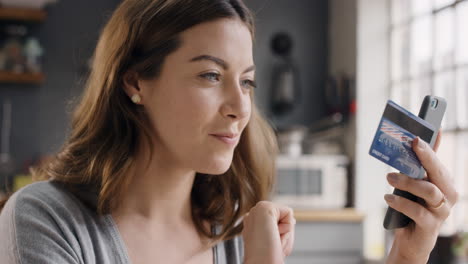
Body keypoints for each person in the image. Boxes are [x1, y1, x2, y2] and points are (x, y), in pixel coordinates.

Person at [0, 0, 458, 263]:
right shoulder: (46, 220)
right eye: (210, 76)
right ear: (136, 81)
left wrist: (405, 256)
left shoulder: (236, 234)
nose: (241, 108)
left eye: (247, 81)